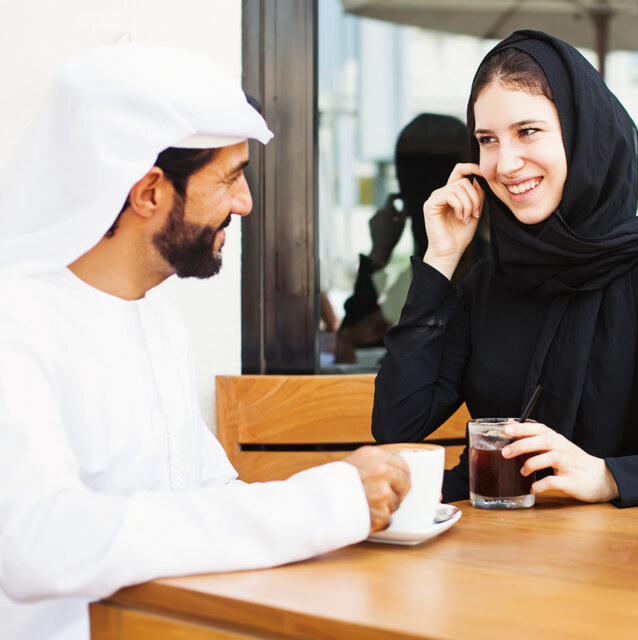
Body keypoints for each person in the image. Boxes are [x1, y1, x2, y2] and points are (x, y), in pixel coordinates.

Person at [0, 43, 409, 640]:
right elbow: (39, 542)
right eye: (230, 178)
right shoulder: (15, 323)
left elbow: (208, 492)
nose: (244, 203)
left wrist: (347, 500)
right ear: (149, 192)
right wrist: (321, 505)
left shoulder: (159, 321)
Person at [371, 30, 638, 506]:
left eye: (528, 131)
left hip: (612, 560)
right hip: (487, 551)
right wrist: (441, 259)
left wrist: (609, 476)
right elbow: (398, 425)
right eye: (487, 140)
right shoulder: (488, 284)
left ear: (582, 133)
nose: (506, 162)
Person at [333, 113, 487, 364]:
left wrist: (378, 255)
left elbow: (357, 342)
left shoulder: (474, 275)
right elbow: (355, 341)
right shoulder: (416, 279)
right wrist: (378, 254)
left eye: (407, 180)